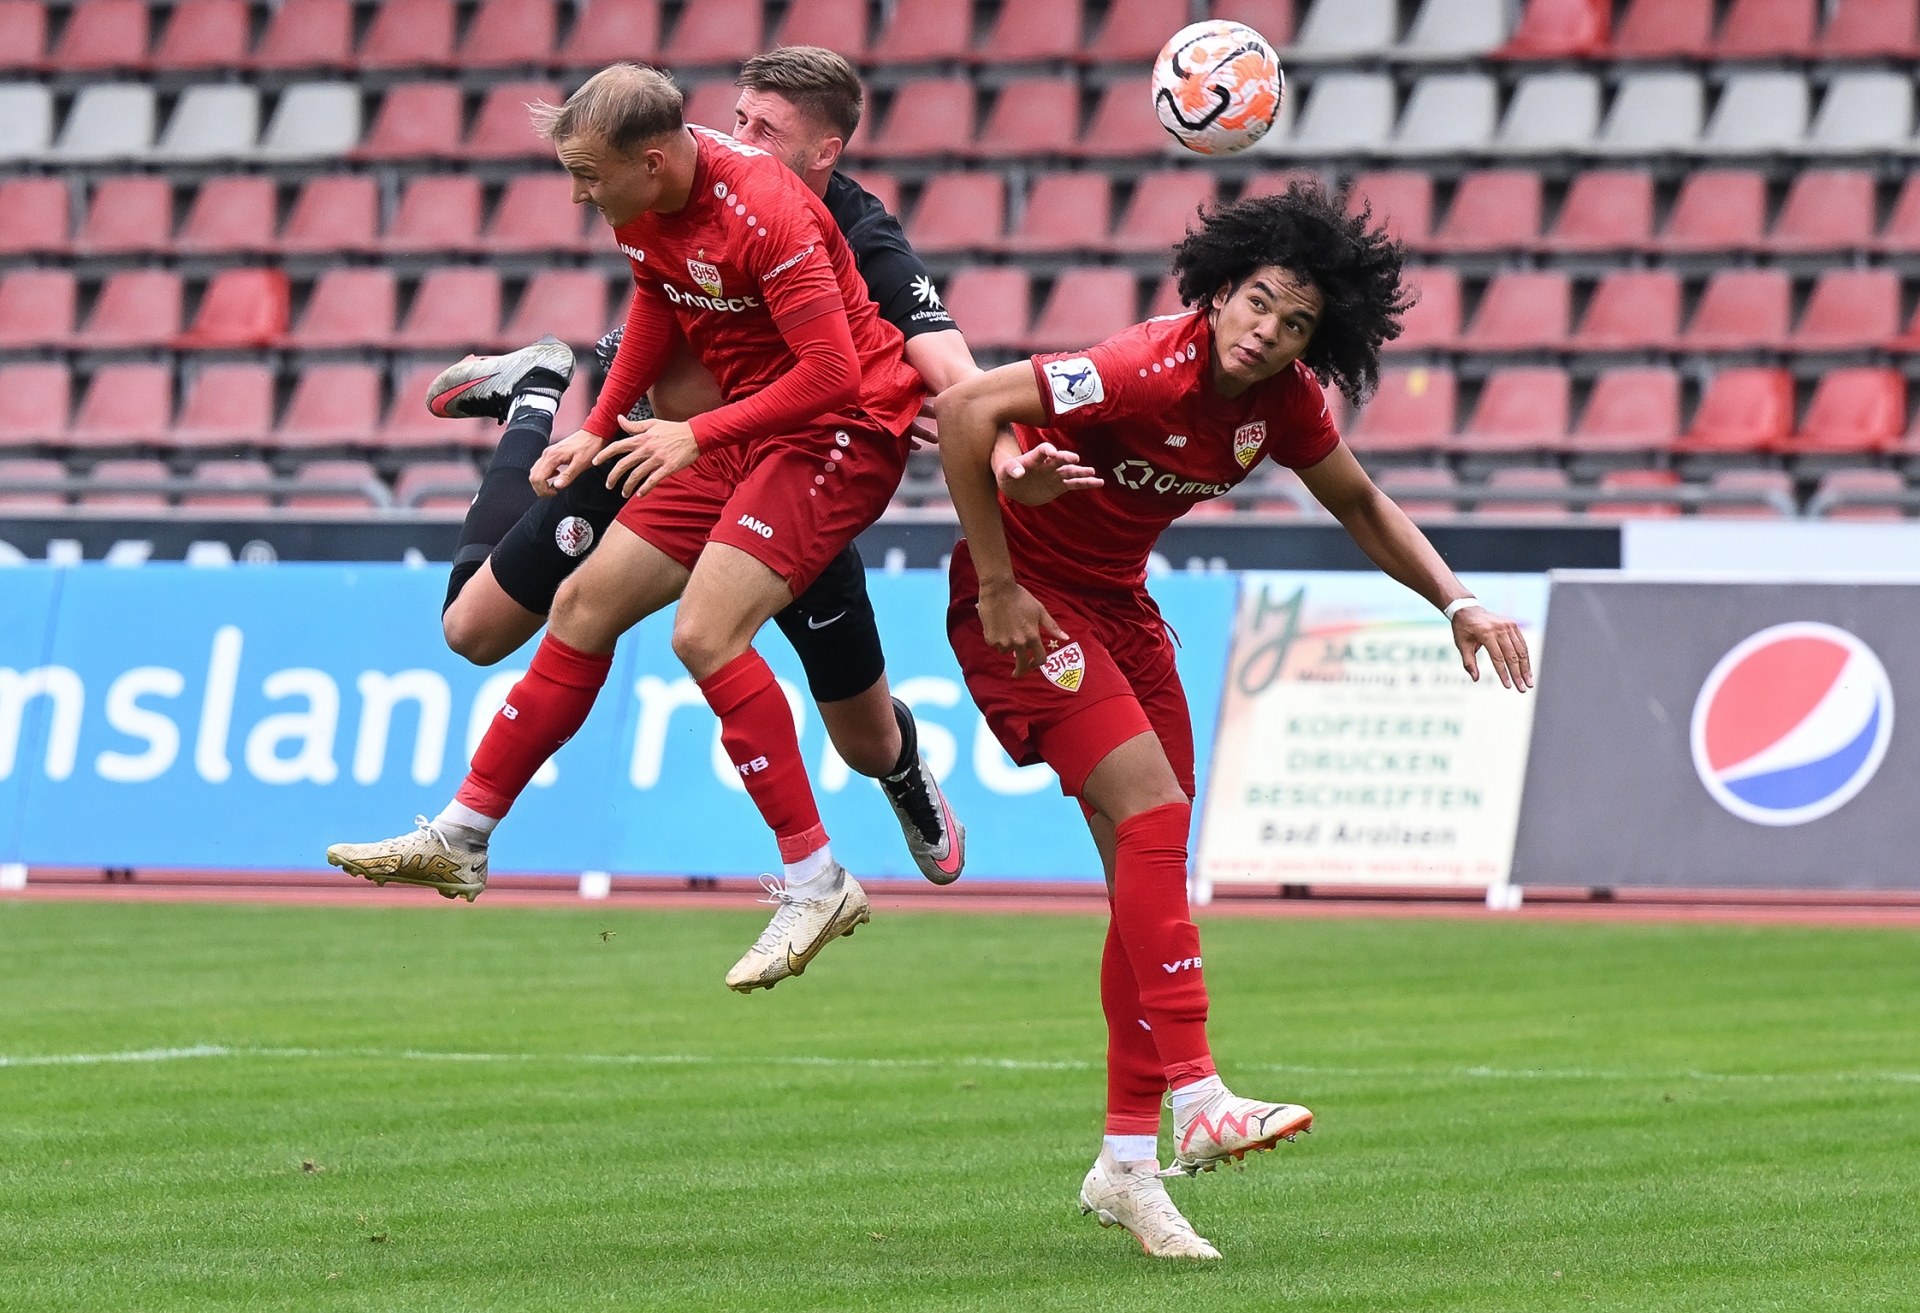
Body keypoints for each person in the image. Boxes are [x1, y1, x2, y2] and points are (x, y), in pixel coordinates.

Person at [935, 184, 1534, 1259]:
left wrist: (1458, 600)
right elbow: (967, 410)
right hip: (1027, 609)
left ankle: (1127, 1165)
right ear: (1218, 291)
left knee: (1147, 876)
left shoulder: (1284, 403)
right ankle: (1201, 1095)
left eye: (1297, 322)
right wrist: (996, 579)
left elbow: (1360, 503)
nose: (1268, 331)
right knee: (1154, 816)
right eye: (1258, 301)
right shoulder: (1140, 365)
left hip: (1123, 611)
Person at [329, 63, 926, 994]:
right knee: (583, 605)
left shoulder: (767, 213)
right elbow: (655, 298)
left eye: (590, 177)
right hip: (737, 430)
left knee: (704, 633)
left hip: (838, 432)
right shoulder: (644, 200)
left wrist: (694, 432)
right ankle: (463, 833)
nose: (581, 196)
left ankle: (818, 882)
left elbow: (833, 376)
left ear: (652, 161)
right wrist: (600, 424)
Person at [419, 47, 971, 887]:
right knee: (474, 629)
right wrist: (597, 424)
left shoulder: (852, 231)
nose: (739, 136)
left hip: (788, 460)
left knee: (863, 741)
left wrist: (988, 426)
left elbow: (932, 363)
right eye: (738, 116)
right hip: (656, 448)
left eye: (766, 128)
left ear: (825, 151)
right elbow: (650, 301)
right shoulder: (661, 178)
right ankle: (535, 397)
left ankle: (895, 774)